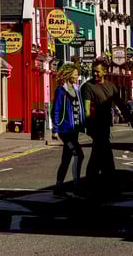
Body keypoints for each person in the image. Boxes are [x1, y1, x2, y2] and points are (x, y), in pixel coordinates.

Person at [81, 59, 133, 195]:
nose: (94, 74)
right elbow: (86, 109)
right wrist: (87, 125)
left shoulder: (111, 87)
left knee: (101, 154)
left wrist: (132, 122)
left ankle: (101, 183)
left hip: (105, 126)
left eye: (97, 72)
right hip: (95, 126)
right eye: (93, 71)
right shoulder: (87, 87)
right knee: (101, 152)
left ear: (105, 72)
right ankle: (101, 183)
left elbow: (121, 105)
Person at [51, 65, 85, 198]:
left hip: (74, 130)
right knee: (79, 155)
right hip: (65, 131)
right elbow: (56, 110)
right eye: (76, 74)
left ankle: (58, 188)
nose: (77, 76)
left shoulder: (76, 89)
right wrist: (55, 129)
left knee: (66, 158)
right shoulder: (61, 91)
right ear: (69, 75)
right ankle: (76, 186)